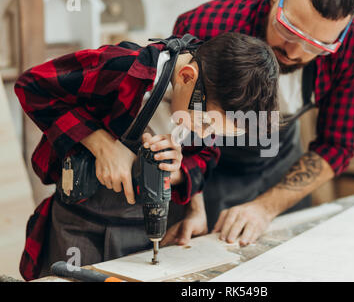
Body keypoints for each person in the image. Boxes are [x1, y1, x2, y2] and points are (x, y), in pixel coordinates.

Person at [15, 32, 280, 280]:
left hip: (150, 232)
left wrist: (175, 170)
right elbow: (32, 86)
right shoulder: (123, 68)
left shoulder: (207, 100)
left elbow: (206, 156)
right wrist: (101, 144)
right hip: (82, 225)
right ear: (187, 77)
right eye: (205, 125)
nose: (204, 133)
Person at [168, 0, 354, 247]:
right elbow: (182, 122)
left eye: (317, 46)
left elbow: (337, 145)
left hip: (281, 166)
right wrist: (193, 205)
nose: (295, 52)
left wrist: (266, 208)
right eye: (289, 30)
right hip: (210, 167)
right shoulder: (208, 24)